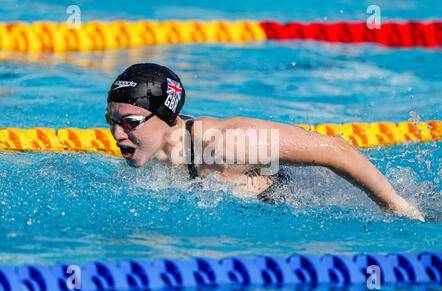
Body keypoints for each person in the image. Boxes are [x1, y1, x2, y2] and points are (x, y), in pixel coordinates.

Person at [105, 63, 425, 221]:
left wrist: (394, 205)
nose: (119, 135)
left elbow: (335, 150)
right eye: (112, 122)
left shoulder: (225, 145)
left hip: (311, 197)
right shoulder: (149, 156)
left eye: (130, 124)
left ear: (167, 116)